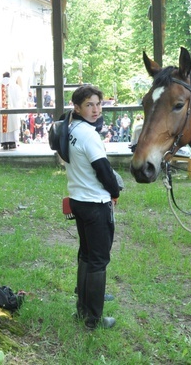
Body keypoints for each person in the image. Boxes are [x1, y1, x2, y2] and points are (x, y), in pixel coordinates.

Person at [66, 84, 120, 330]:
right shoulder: (89, 134)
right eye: (89, 104)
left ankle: (82, 309)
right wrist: (115, 191)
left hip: (78, 200)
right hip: (95, 204)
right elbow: (103, 170)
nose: (96, 109)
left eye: (98, 104)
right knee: (98, 260)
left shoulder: (71, 128)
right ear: (77, 107)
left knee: (86, 256)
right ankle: (94, 320)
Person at [0, 72, 22, 150]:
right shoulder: (15, 86)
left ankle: (4, 143)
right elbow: (19, 98)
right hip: (12, 110)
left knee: (2, 125)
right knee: (11, 125)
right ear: (10, 76)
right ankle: (12, 142)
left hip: (1, 111)